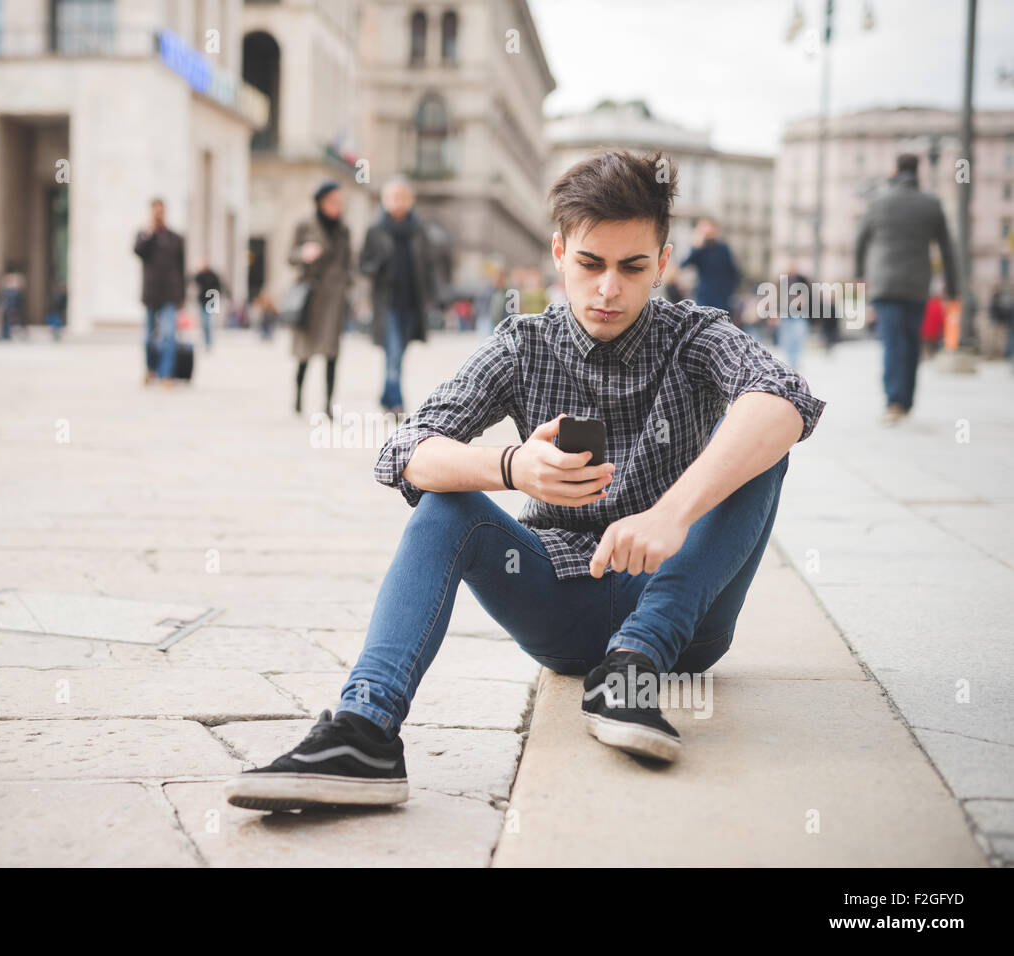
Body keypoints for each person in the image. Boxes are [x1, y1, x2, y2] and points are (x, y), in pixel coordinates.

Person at [224, 149, 826, 811]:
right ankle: (366, 729)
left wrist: (672, 513)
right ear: (560, 253)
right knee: (445, 504)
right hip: (564, 604)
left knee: (764, 433)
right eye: (591, 264)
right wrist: (511, 465)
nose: (608, 290)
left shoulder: (696, 335)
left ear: (662, 262)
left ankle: (634, 667)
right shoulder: (523, 343)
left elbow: (784, 397)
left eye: (631, 267)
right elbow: (404, 449)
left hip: (687, 615)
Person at [854, 153, 958, 424]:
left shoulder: (878, 202)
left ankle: (894, 402)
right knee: (912, 342)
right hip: (917, 285)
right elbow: (947, 248)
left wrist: (858, 275)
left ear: (895, 170)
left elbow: (860, 241)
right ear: (918, 171)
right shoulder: (931, 204)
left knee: (892, 342)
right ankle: (907, 401)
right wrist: (953, 286)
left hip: (885, 283)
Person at [359, 175, 439, 415]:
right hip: (387, 303)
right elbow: (363, 264)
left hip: (412, 302)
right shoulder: (375, 230)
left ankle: (385, 396)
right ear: (384, 200)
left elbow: (428, 265)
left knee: (399, 354)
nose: (398, 201)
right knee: (393, 353)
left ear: (411, 200)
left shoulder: (419, 231)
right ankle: (396, 403)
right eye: (394, 197)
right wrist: (378, 265)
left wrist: (434, 297)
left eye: (403, 197)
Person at [288, 180, 352, 418]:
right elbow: (290, 255)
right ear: (321, 201)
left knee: (332, 353)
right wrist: (304, 254)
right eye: (334, 201)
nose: (338, 206)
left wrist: (348, 287)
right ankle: (297, 398)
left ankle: (328, 404)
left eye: (340, 202)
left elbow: (348, 263)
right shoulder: (304, 225)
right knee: (304, 353)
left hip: (334, 298)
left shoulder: (344, 229)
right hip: (310, 295)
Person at [134, 197, 186, 388]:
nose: (159, 215)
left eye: (161, 211)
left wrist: (182, 296)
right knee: (148, 337)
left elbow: (181, 268)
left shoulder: (175, 238)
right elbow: (138, 251)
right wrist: (150, 231)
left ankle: (167, 374)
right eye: (155, 212)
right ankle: (151, 368)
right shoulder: (144, 236)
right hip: (151, 294)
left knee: (168, 334)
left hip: (170, 295)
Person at [680, 217, 740, 312]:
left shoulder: (723, 248)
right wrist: (697, 245)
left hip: (722, 298)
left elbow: (734, 272)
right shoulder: (699, 249)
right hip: (704, 297)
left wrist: (729, 292)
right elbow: (683, 264)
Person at [776, 266, 811, 372]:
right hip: (786, 315)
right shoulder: (782, 283)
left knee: (798, 338)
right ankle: (790, 362)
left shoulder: (802, 281)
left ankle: (795, 361)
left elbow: (808, 296)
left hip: (799, 314)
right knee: (788, 339)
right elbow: (777, 299)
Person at [192, 259, 223, 352]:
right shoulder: (201, 275)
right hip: (203, 301)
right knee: (204, 323)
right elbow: (195, 281)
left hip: (211, 301)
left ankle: (209, 342)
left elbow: (218, 287)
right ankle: (206, 342)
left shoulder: (213, 275)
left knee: (208, 322)